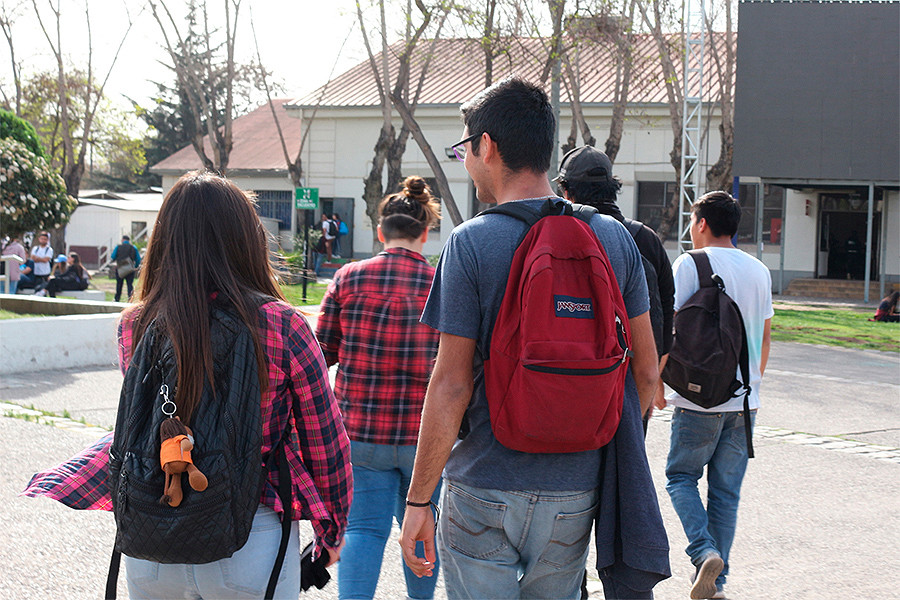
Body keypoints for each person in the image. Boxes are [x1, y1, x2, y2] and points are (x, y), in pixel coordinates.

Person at [397, 77, 669, 599]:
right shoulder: (613, 237)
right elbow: (648, 371)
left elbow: (451, 386)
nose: (467, 162)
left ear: (487, 146)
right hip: (576, 492)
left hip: (483, 487)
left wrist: (417, 504)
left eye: (464, 149)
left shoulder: (471, 243)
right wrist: (588, 437)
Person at [22, 171, 353, 599]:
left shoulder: (137, 324)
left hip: (152, 534)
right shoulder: (282, 324)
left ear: (164, 240)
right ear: (245, 238)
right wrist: (332, 530)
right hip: (251, 536)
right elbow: (325, 441)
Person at [316, 176, 442, 600]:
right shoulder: (442, 284)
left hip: (361, 434)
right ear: (426, 232)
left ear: (379, 231)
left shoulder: (349, 278)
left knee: (363, 531)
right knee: (422, 530)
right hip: (426, 438)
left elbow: (322, 354)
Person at [659, 190, 772, 600]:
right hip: (745, 403)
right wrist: (750, 387)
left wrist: (656, 382)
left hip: (697, 399)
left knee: (680, 477)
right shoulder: (760, 270)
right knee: (726, 494)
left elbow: (666, 328)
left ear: (702, 223)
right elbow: (765, 337)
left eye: (692, 221)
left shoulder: (690, 263)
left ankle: (703, 551)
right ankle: (716, 584)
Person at [554, 145, 675, 435]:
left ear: (566, 192)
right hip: (633, 388)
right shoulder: (645, 239)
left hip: (573, 383)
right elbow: (667, 321)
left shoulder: (557, 235)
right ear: (613, 189)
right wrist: (647, 390)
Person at [111, 234, 141, 302]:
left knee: (119, 284)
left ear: (122, 240)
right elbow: (138, 259)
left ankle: (117, 299)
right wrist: (135, 266)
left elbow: (113, 256)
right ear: (129, 240)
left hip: (120, 269)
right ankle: (130, 299)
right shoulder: (133, 247)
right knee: (130, 285)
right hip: (130, 269)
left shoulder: (118, 247)